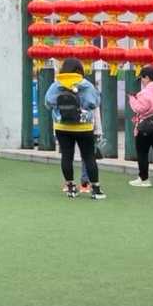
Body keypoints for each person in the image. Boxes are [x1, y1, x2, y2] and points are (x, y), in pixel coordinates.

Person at [45, 57, 103, 199]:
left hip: (62, 125)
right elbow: (95, 102)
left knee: (66, 155)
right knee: (88, 156)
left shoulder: (56, 84)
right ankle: (95, 189)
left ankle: (71, 187)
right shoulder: (86, 85)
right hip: (83, 126)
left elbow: (48, 102)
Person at [128, 66, 153, 187]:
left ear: (147, 78)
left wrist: (132, 99)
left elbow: (139, 108)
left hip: (146, 127)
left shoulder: (146, 92)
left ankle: (144, 179)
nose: (142, 82)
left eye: (142, 79)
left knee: (142, 152)